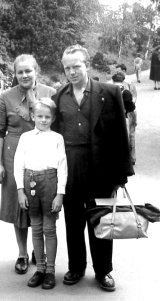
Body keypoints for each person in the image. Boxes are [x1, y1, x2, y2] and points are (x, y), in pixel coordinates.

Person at [52, 45, 134, 291]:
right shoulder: (59, 96)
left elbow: (121, 134)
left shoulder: (109, 93)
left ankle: (103, 271)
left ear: (86, 64)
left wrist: (122, 175)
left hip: (101, 168)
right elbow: (53, 136)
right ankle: (76, 267)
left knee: (101, 221)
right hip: (70, 166)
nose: (72, 72)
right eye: (67, 68)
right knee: (73, 222)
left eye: (76, 66)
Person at [0, 54, 56, 275]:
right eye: (19, 72)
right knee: (20, 206)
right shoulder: (5, 98)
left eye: (28, 70)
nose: (24, 75)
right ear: (15, 74)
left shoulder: (50, 93)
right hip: (14, 157)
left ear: (36, 70)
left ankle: (39, 251)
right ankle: (22, 252)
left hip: (45, 156)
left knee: (42, 204)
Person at [14, 98, 67, 289]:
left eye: (47, 117)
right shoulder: (25, 137)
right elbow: (18, 164)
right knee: (35, 227)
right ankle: (40, 269)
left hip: (50, 182)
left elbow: (62, 167)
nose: (43, 120)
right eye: (39, 116)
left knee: (49, 228)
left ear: (53, 118)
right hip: (30, 182)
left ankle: (50, 271)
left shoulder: (57, 138)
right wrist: (21, 190)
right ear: (32, 116)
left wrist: (60, 193)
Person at [112, 72, 137, 163]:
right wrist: (134, 120)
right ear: (123, 81)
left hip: (111, 120)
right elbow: (131, 109)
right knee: (129, 137)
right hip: (124, 119)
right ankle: (131, 158)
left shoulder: (108, 91)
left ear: (112, 80)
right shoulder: (126, 92)